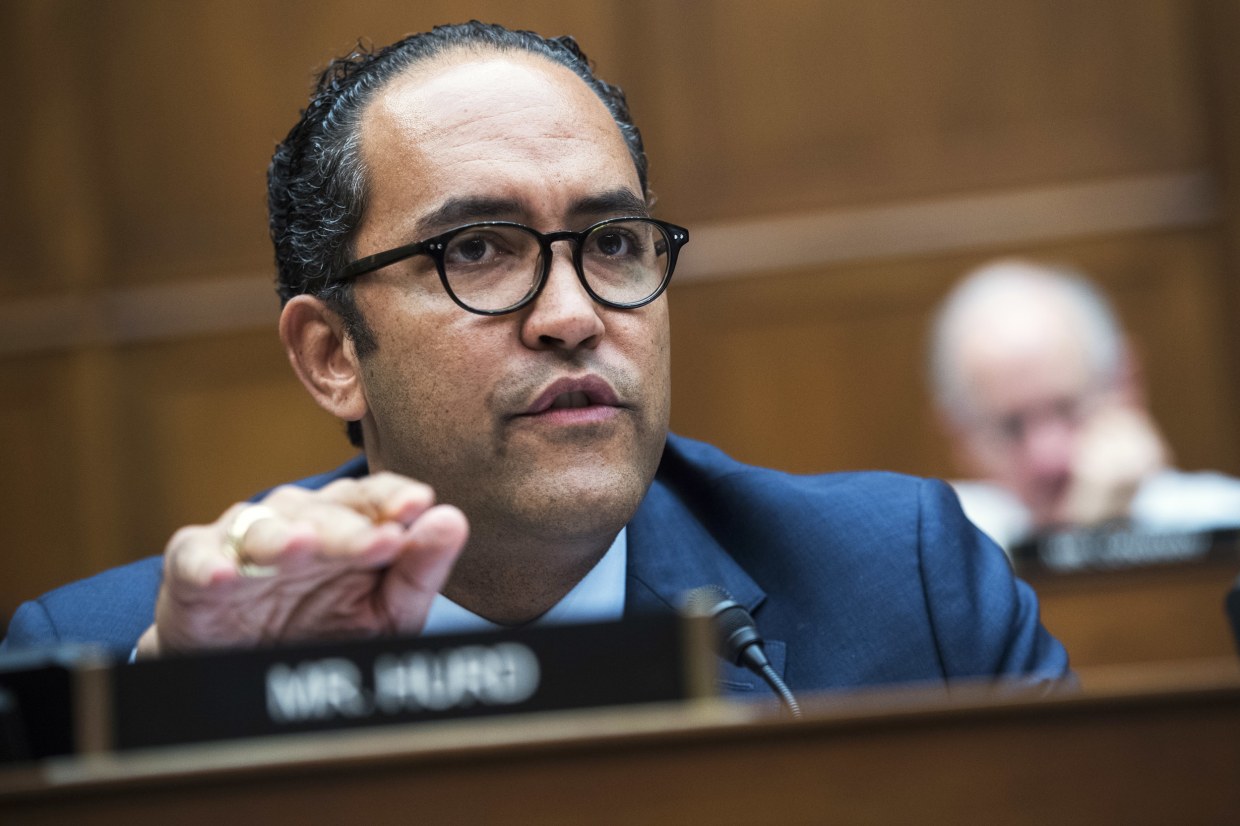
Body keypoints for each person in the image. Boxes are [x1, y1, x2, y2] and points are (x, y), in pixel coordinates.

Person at [1, 22, 1069, 697]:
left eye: (612, 243)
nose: (571, 315)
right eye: (475, 250)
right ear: (331, 354)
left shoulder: (906, 588)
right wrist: (178, 714)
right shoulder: (107, 665)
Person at [930, 259, 1240, 552]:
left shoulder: (1225, 524)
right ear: (959, 435)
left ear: (1124, 384)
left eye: (1068, 409)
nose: (1049, 458)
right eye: (1011, 428)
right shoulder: (943, 549)